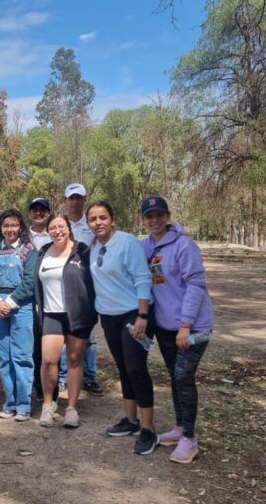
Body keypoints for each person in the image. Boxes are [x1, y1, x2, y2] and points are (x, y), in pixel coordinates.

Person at [140, 196, 214, 463]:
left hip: (193, 326)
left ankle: (190, 439)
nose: (155, 220)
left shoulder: (184, 246)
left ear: (167, 215)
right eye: (149, 216)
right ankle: (181, 427)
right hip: (165, 326)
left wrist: (185, 325)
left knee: (183, 376)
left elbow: (195, 285)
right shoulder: (146, 245)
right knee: (174, 375)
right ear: (144, 220)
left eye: (159, 214)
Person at [87, 201, 157, 454]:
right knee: (124, 368)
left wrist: (142, 315)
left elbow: (142, 278)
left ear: (112, 219)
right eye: (93, 219)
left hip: (132, 315)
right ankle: (131, 420)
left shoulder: (127, 242)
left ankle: (148, 428)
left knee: (137, 369)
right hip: (109, 316)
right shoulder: (95, 246)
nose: (98, 223)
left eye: (103, 217)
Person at [34, 213, 97, 428]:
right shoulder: (43, 252)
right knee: (49, 360)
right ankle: (48, 405)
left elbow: (94, 280)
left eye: (61, 226)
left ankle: (71, 408)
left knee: (74, 360)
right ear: (48, 230)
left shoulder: (82, 251)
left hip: (78, 313)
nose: (57, 231)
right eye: (53, 227)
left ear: (69, 228)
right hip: (51, 313)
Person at [0, 209, 37, 421]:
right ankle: (10, 403)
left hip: (21, 307)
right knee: (4, 357)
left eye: (14, 225)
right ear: (0, 228)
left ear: (20, 227)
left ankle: (24, 405)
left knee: (22, 356)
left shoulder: (29, 250)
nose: (10, 230)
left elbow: (30, 281)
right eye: (6, 226)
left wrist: (11, 302)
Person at [63, 183, 104, 397]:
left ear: (84, 199)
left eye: (79, 198)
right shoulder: (59, 224)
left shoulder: (91, 225)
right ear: (65, 201)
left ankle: (89, 376)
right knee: (64, 332)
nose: (75, 201)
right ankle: (63, 377)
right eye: (71, 198)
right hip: (64, 285)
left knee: (88, 334)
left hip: (88, 285)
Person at [28, 197, 54, 405]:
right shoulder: (24, 235)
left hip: (51, 295)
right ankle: (37, 385)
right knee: (34, 344)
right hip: (29, 295)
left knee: (51, 345)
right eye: (34, 210)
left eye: (42, 210)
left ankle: (52, 386)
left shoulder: (55, 233)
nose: (38, 213)